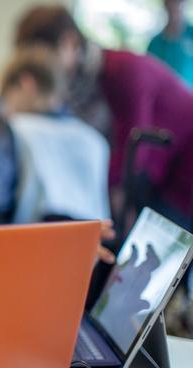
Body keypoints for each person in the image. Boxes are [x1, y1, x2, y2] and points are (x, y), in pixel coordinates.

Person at [14, 4, 193, 235]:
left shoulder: (125, 71)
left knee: (165, 245)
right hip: (159, 170)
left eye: (44, 60)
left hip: (183, 170)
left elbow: (134, 156)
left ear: (68, 42)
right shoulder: (79, 86)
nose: (42, 71)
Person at [0, 46, 111, 224]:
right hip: (89, 246)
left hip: (30, 243)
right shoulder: (94, 140)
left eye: (6, 97)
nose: (5, 109)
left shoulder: (17, 129)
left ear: (27, 84)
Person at [148, 0, 193, 87]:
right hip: (166, 98)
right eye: (172, 2)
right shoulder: (155, 44)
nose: (176, 6)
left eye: (180, 2)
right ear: (165, 4)